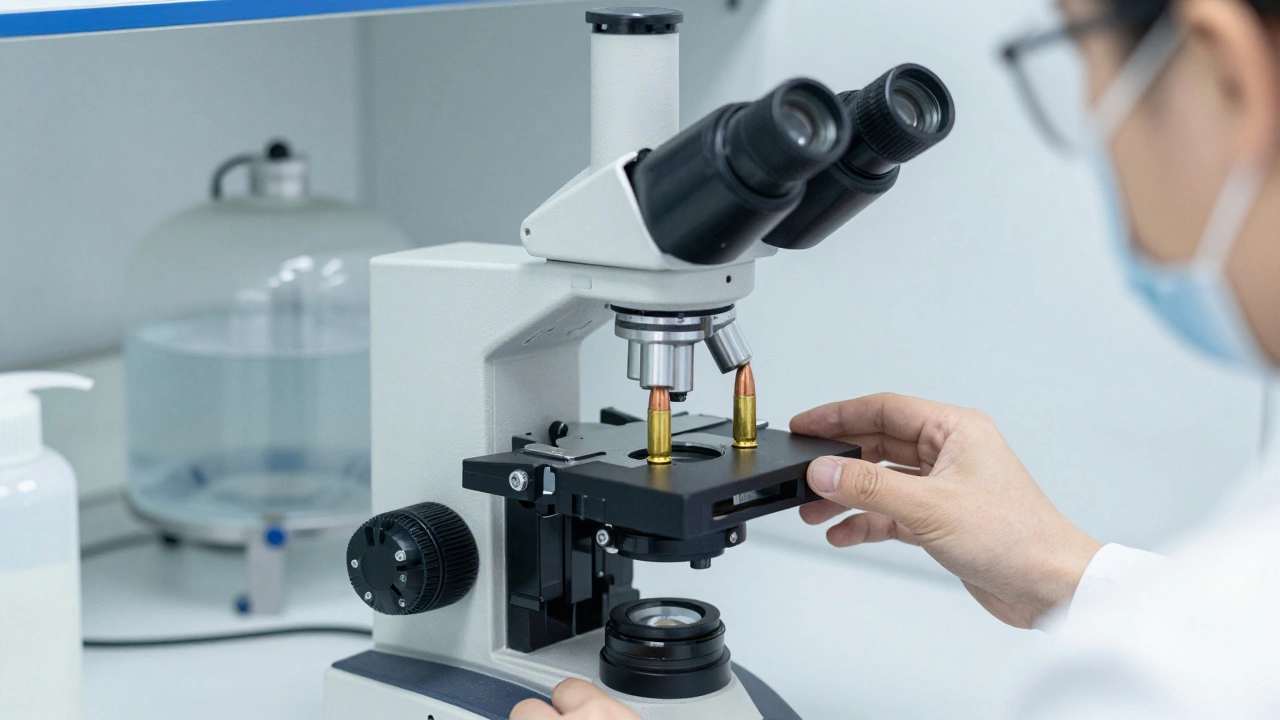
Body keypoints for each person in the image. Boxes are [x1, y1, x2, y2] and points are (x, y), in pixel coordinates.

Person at [512, 0, 1280, 717]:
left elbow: (1199, 644)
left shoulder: (1159, 677)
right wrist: (1057, 569)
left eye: (1080, 58)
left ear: (1224, 75)